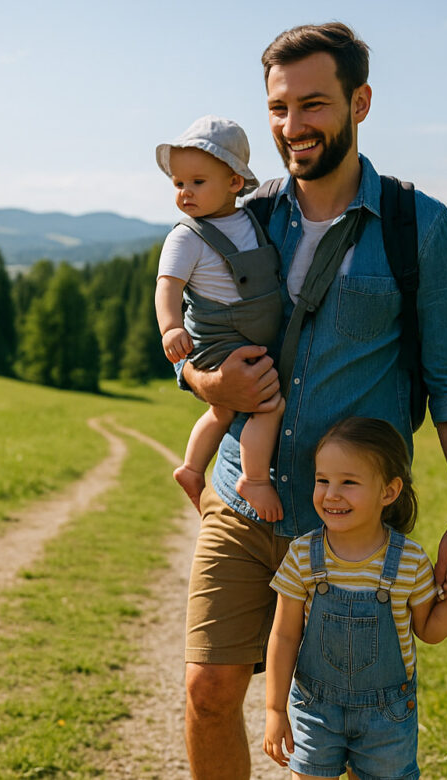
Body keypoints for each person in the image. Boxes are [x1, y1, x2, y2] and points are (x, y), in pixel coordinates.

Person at [179, 23, 447, 779]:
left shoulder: (421, 229)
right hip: (244, 499)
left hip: (351, 524)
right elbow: (195, 339)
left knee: (347, 724)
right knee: (208, 693)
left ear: (361, 102)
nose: (293, 126)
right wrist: (206, 384)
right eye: (278, 108)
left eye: (312, 104)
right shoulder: (244, 217)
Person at [262, 418, 447, 779]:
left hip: (387, 717)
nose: (331, 494)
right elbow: (284, 635)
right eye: (323, 480)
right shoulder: (303, 556)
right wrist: (275, 709)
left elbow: (429, 631)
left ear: (389, 491)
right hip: (315, 709)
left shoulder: (410, 561)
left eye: (349, 482)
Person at [153, 116, 286, 520]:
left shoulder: (250, 221)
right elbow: (167, 285)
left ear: (234, 182)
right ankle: (254, 479)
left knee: (223, 410)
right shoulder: (187, 236)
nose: (185, 192)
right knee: (268, 404)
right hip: (217, 338)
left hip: (243, 335)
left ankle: (192, 469)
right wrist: (171, 327)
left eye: (197, 182)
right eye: (178, 183)